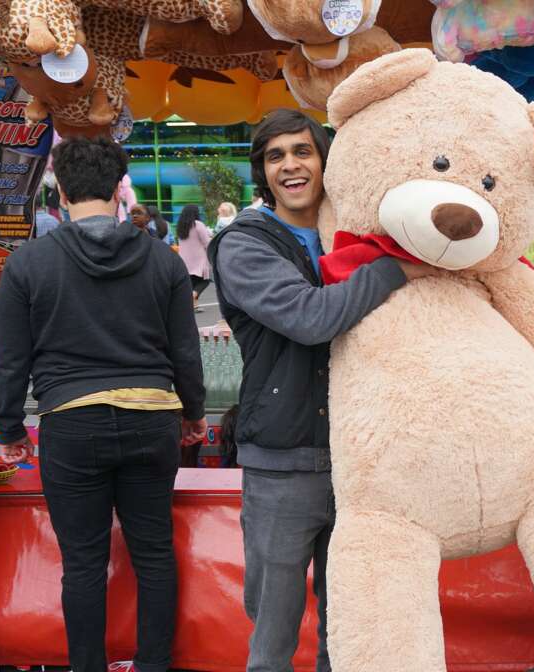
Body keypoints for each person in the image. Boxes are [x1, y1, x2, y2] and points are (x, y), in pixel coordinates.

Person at [208, 109, 434, 672]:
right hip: (282, 464)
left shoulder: (351, 232)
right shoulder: (243, 245)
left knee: (352, 634)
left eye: (302, 151)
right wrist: (393, 271)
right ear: (263, 171)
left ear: (325, 160)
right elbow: (311, 318)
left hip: (360, 465)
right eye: (276, 155)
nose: (291, 165)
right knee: (274, 640)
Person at [0, 137, 207, 672]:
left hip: (71, 421)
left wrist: (11, 428)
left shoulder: (28, 264)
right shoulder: (164, 260)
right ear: (118, 190)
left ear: (61, 192)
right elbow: (185, 351)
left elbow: (12, 361)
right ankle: (154, 664)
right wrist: (194, 414)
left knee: (83, 564)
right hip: (152, 417)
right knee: (154, 553)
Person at [177, 204, 212, 311]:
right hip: (199, 258)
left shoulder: (180, 226)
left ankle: (194, 305)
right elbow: (206, 242)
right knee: (205, 280)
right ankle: (193, 295)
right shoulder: (198, 224)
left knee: (192, 282)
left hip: (184, 259)